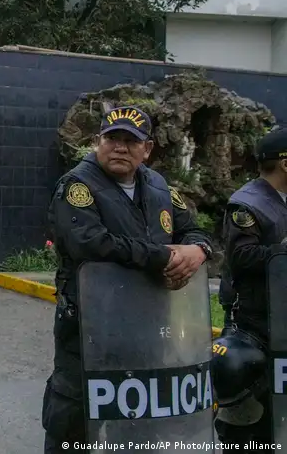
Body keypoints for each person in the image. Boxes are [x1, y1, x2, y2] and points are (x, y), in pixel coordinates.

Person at [43, 106, 213, 452]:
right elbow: (89, 243)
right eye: (112, 139)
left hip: (148, 329)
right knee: (73, 423)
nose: (120, 147)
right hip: (90, 330)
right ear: (97, 143)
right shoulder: (77, 185)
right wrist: (162, 256)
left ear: (146, 149)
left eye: (130, 141)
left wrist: (198, 251)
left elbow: (193, 229)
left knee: (139, 425)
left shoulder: (158, 186)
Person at [211, 127, 287, 450]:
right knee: (247, 424)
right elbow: (241, 257)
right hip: (253, 327)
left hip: (281, 321)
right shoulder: (246, 204)